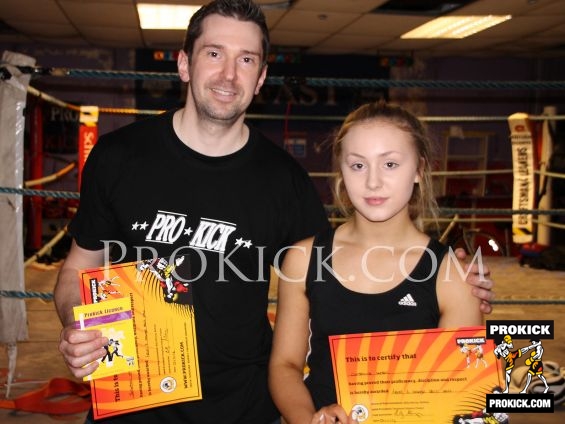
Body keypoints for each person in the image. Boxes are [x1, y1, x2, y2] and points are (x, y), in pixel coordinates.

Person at [54, 1, 495, 423]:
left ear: (262, 77)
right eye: (214, 53)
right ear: (184, 63)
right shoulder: (118, 156)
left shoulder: (285, 180)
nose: (229, 74)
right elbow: (78, 268)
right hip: (133, 402)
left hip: (244, 409)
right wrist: (79, 328)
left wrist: (453, 282)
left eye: (246, 60)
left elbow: (344, 277)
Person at [268, 101, 490, 424]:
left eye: (390, 164)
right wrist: (310, 419)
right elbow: (284, 365)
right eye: (358, 165)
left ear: (419, 170)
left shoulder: (452, 275)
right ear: (341, 172)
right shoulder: (303, 259)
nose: (373, 182)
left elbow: (462, 396)